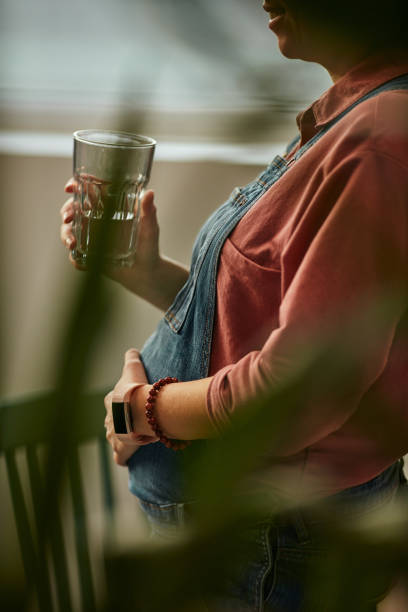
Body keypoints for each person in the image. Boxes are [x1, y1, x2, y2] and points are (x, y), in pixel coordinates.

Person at [60, 1, 408, 609]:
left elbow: (300, 387)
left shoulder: (377, 141)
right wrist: (142, 269)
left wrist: (139, 411)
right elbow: (268, 324)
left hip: (269, 542)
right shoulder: (354, 118)